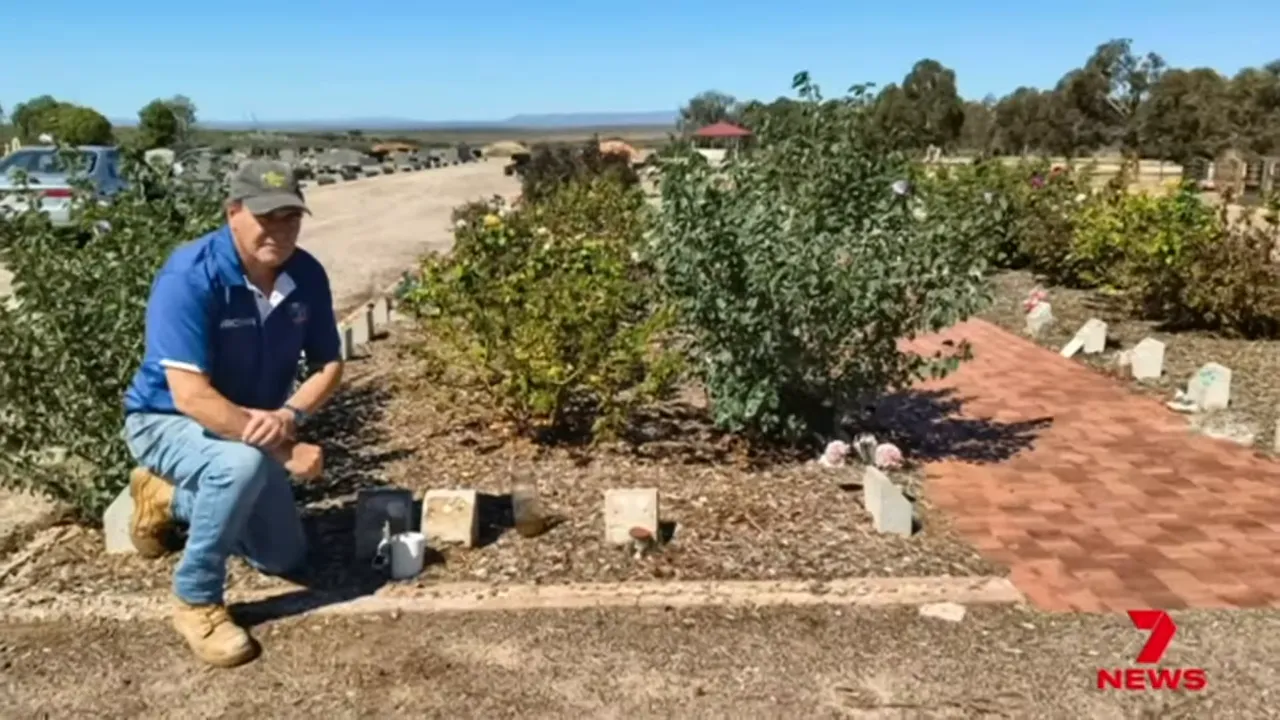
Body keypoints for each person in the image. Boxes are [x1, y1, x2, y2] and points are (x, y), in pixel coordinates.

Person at [121, 159, 344, 668]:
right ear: (233, 212)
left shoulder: (305, 275)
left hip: (252, 428)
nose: (280, 230)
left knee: (283, 559)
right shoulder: (190, 275)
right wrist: (283, 447)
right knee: (237, 467)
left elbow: (329, 365)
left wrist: (290, 414)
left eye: (291, 217)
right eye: (267, 217)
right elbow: (191, 396)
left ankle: (168, 497)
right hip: (165, 419)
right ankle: (195, 599)